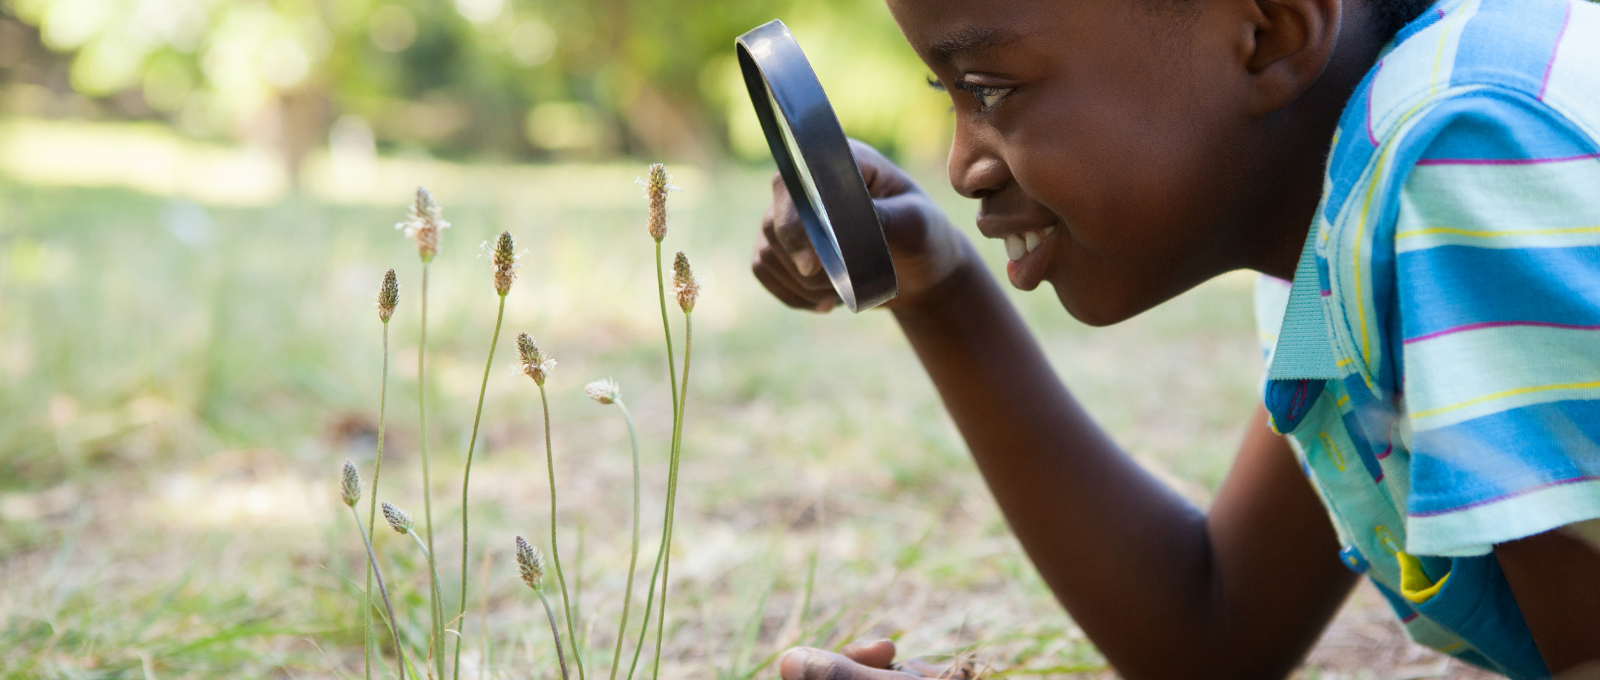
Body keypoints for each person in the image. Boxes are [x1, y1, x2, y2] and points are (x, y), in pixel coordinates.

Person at [749, 0, 1600, 677]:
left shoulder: (1462, 164)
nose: (963, 165)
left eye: (993, 88)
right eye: (950, 96)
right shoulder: (1342, 229)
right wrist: (939, 293)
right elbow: (1212, 632)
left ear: (1267, 32)